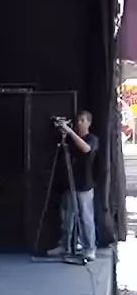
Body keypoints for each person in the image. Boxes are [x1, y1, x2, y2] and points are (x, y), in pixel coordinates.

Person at [47, 111, 98, 260]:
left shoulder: (92, 139)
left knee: (86, 218)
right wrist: (65, 133)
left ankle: (89, 248)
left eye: (83, 120)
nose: (79, 123)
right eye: (78, 120)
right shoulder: (70, 139)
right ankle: (66, 246)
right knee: (67, 218)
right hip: (70, 183)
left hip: (85, 185)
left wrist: (69, 131)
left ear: (89, 123)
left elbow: (86, 149)